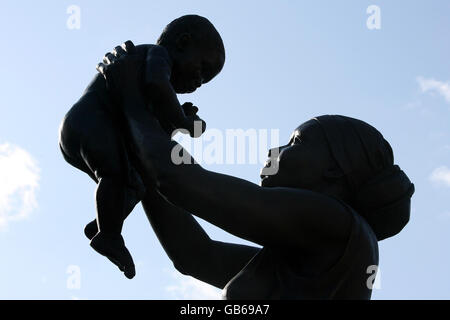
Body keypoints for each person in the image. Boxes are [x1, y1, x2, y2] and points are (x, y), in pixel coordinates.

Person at [95, 41, 414, 299]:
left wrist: (132, 102)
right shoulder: (300, 260)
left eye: (295, 143)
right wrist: (142, 146)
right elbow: (194, 254)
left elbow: (179, 180)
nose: (275, 151)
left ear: (333, 170)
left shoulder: (340, 226)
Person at [58, 15, 225, 279]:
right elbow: (157, 86)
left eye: (205, 81)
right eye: (202, 70)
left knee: (134, 181)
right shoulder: (156, 56)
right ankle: (109, 234)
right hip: (89, 122)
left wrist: (177, 121)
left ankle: (106, 223)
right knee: (114, 174)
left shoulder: (147, 74)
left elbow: (149, 126)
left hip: (97, 131)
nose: (198, 83)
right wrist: (180, 119)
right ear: (183, 43)